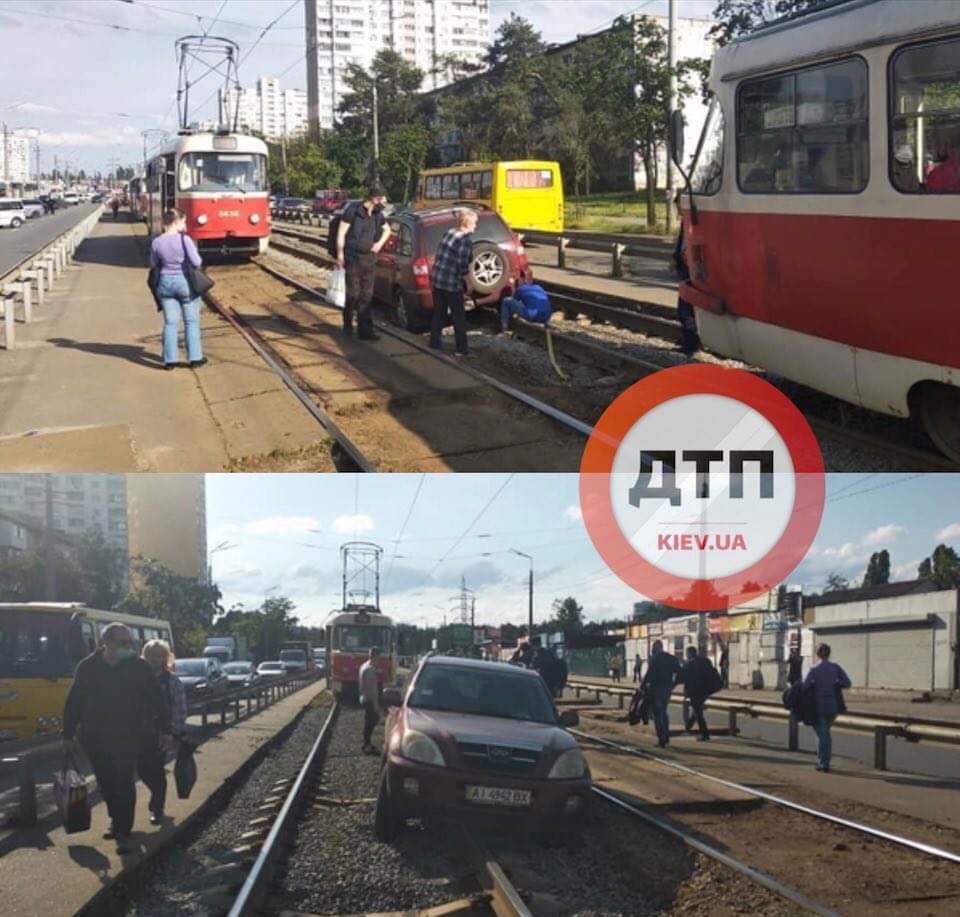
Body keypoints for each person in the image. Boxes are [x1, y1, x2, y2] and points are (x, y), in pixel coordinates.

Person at [62, 623, 171, 854]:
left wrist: (165, 729)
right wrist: (68, 734)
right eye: (123, 642)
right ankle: (116, 819)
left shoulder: (138, 666)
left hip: (129, 735)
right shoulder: (88, 667)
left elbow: (156, 699)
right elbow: (74, 701)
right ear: (106, 643)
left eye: (130, 642)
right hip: (94, 737)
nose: (128, 646)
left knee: (123, 780)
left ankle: (122, 831)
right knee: (106, 782)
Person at [149, 208, 206, 369]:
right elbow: (197, 262)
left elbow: (153, 264)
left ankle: (169, 361)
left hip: (165, 284)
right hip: (185, 284)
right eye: (184, 222)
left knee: (170, 323)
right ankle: (195, 358)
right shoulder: (184, 240)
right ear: (176, 222)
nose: (185, 225)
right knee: (191, 321)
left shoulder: (156, 242)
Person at [138, 640, 187, 825]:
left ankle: (157, 809)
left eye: (159, 656)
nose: (154, 660)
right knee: (143, 770)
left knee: (157, 771)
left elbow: (180, 709)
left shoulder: (172, 681)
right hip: (141, 734)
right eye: (151, 656)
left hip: (162, 734)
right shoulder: (138, 679)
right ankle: (156, 801)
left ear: (165, 658)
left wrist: (174, 733)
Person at [336, 187, 390, 340]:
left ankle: (365, 331)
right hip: (353, 258)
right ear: (374, 199)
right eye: (381, 200)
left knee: (367, 295)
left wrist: (379, 244)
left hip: (369, 259)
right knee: (353, 294)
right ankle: (347, 323)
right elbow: (341, 233)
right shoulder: (353, 211)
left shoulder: (378, 214)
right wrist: (340, 254)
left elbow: (387, 230)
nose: (382, 203)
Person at [430, 208, 478, 357]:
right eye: (475, 223)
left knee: (439, 313)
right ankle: (461, 350)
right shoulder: (464, 240)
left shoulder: (449, 232)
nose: (475, 226)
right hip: (451, 284)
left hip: (438, 279)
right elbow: (462, 265)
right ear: (467, 224)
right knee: (459, 317)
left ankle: (434, 343)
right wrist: (469, 284)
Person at [802, 643, 851, 773]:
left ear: (817, 653)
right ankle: (822, 761)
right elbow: (847, 683)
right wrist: (835, 684)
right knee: (824, 734)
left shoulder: (814, 669)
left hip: (819, 707)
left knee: (823, 736)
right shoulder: (835, 668)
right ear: (829, 654)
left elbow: (805, 686)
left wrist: (814, 684)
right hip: (833, 707)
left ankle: (824, 764)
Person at [641, 640, 682, 747]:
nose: (652, 649)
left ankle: (661, 738)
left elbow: (649, 674)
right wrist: (673, 684)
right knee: (664, 712)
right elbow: (680, 673)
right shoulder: (671, 658)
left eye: (653, 647)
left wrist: (642, 687)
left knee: (658, 713)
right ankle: (666, 735)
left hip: (656, 689)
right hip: (667, 689)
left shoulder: (655, 659)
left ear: (656, 647)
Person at [680, 646, 721, 741]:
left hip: (695, 691)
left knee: (698, 712)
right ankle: (688, 727)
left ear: (689, 654)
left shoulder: (689, 664)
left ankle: (705, 734)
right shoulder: (706, 661)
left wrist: (685, 692)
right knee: (697, 709)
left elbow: (684, 678)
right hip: (706, 690)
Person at [359, 646, 383, 754]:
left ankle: (367, 743)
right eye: (379, 658)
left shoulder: (363, 666)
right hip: (369, 700)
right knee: (371, 722)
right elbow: (372, 689)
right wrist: (376, 705)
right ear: (376, 656)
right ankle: (366, 745)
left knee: (369, 721)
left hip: (364, 697)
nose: (380, 660)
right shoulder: (370, 669)